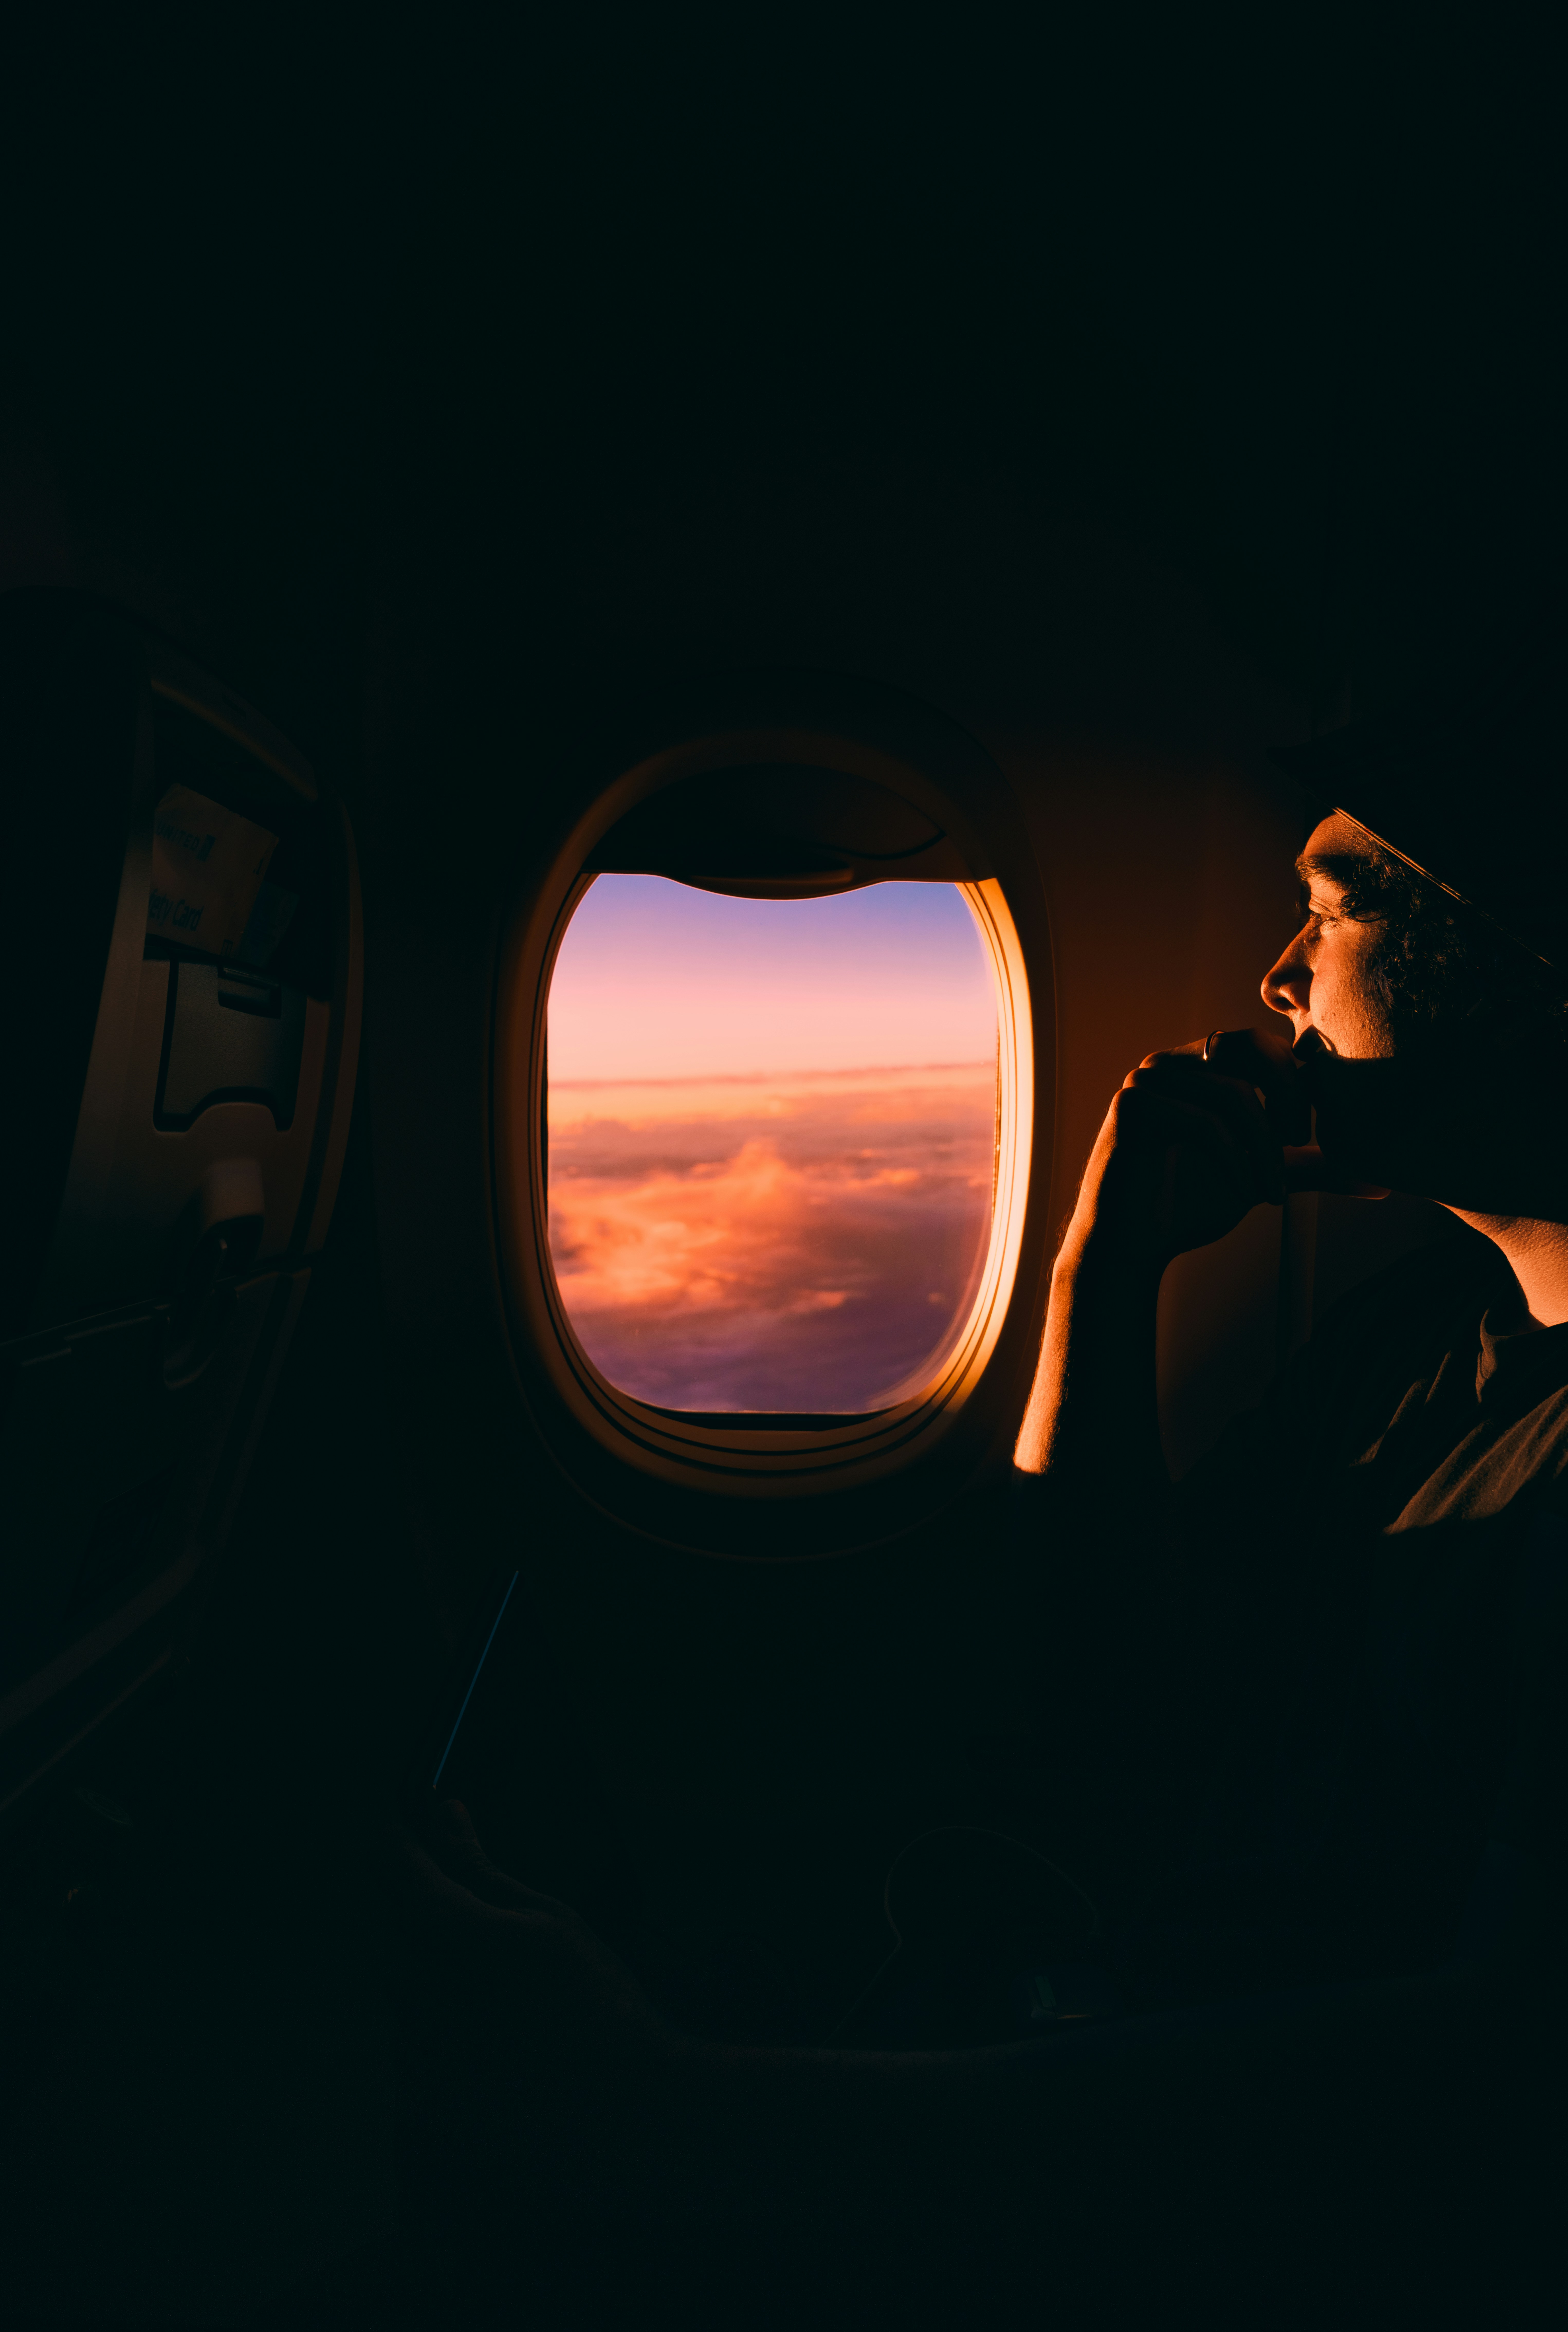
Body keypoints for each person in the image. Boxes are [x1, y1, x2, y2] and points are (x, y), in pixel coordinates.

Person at [392, 687, 1568, 2321]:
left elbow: (1481, 2076)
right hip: (1147, 2011)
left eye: (1325, 911)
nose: (1275, 980)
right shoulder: (1419, 1340)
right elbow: (1098, 1690)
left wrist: (667, 2104)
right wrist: (1101, 1270)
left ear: (1524, 980)